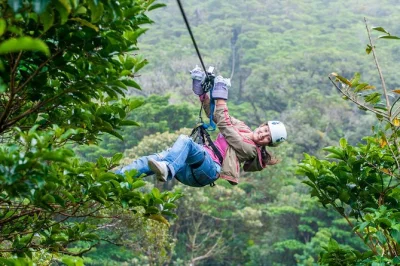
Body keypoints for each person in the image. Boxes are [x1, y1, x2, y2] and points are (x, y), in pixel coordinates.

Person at [115, 66, 287, 187]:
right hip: (194, 165)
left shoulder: (250, 149)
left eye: (267, 137)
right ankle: (113, 180)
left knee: (186, 142)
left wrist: (221, 96)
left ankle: (168, 169)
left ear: (267, 144)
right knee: (150, 159)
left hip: (209, 169)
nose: (262, 134)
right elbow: (216, 115)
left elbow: (226, 127)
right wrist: (204, 94)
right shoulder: (243, 127)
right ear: (262, 125)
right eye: (265, 129)